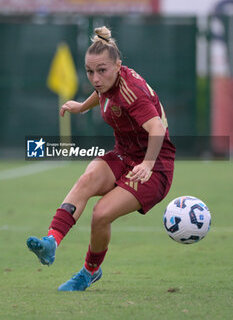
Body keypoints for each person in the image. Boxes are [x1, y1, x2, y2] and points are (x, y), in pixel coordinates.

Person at [26, 26, 176, 291]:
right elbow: (103, 92)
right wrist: (82, 107)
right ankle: (51, 241)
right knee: (89, 177)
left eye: (101, 70)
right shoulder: (110, 80)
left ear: (118, 65)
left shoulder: (133, 92)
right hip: (124, 154)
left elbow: (157, 129)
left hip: (154, 166)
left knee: (101, 214)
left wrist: (148, 164)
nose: (95, 78)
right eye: (89, 71)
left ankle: (89, 272)